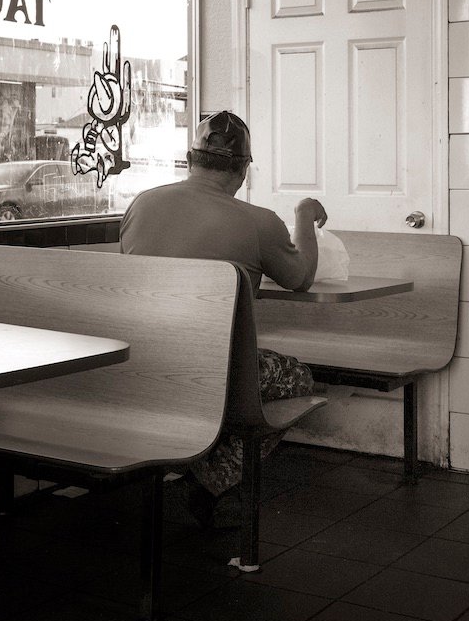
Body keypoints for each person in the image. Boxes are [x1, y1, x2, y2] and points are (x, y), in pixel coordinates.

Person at [120, 110, 328, 526]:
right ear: (243, 169)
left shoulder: (142, 204)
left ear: (190, 159)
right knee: (299, 380)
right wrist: (305, 213)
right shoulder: (258, 222)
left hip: (136, 363)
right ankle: (211, 479)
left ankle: (195, 459)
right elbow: (301, 278)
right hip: (217, 372)